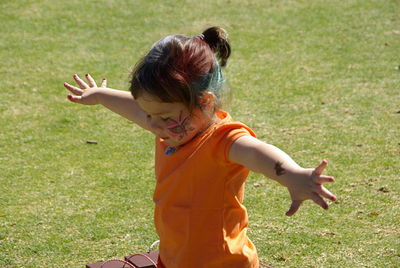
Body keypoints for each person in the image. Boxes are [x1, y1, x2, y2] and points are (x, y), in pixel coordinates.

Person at [64, 27, 337, 268]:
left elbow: (256, 152)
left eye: (165, 117)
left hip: (222, 262)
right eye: (150, 115)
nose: (154, 126)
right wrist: (100, 95)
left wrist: (292, 174)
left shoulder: (222, 140)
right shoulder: (172, 130)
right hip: (176, 256)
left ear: (205, 102)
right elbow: (137, 108)